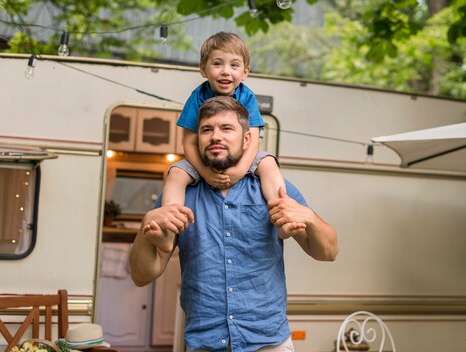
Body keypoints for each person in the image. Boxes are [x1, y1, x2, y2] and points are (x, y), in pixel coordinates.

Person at [129, 96, 338, 352]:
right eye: (207, 130)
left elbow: (328, 252)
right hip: (205, 342)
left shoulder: (273, 188)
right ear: (198, 139)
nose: (216, 136)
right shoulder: (180, 195)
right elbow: (142, 275)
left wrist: (309, 217)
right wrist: (145, 229)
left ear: (247, 139)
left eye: (227, 128)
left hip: (268, 342)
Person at [152, 31, 304, 240]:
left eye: (234, 65)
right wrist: (205, 172)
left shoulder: (247, 96)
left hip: (244, 156)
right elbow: (188, 141)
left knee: (268, 163)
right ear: (203, 69)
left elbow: (253, 138)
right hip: (202, 159)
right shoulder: (196, 97)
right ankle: (167, 232)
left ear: (245, 72)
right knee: (176, 174)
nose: (226, 72)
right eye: (217, 64)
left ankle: (283, 219)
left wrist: (240, 170)